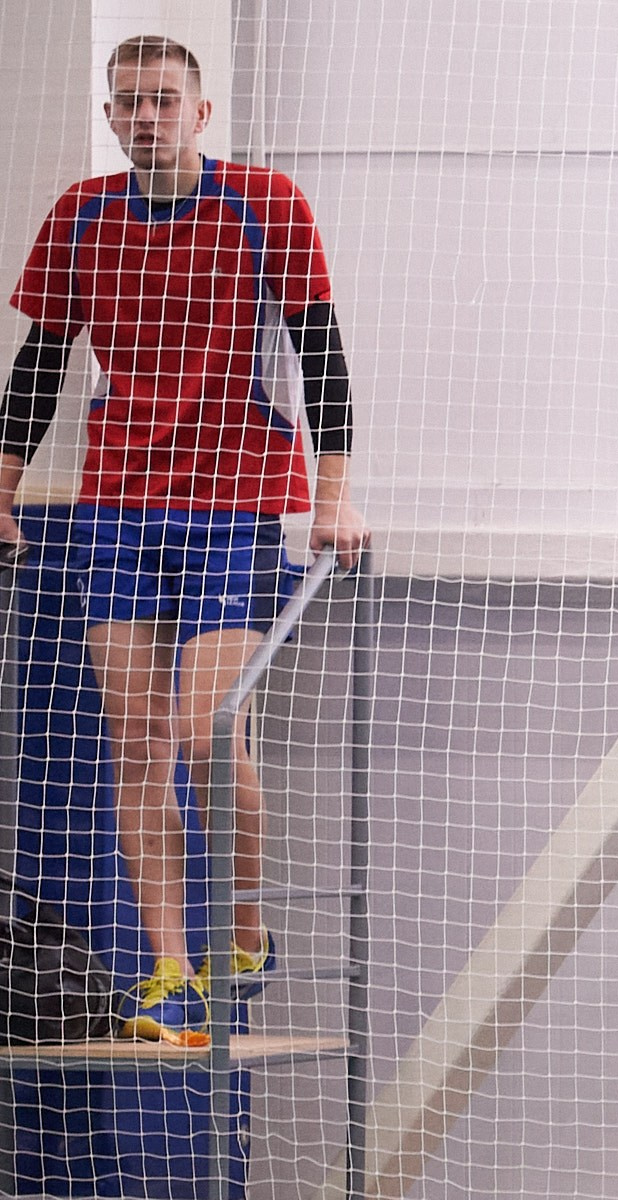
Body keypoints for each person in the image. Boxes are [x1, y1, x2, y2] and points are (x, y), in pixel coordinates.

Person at [0, 34, 368, 1033]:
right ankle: (171, 965)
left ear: (200, 113)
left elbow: (323, 356)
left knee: (209, 733)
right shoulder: (81, 216)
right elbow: (40, 366)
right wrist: (2, 484)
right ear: (111, 115)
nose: (144, 117)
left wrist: (332, 498)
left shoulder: (266, 203)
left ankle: (243, 924)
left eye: (163, 100)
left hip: (238, 503)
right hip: (117, 505)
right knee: (137, 745)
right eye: (127, 102)